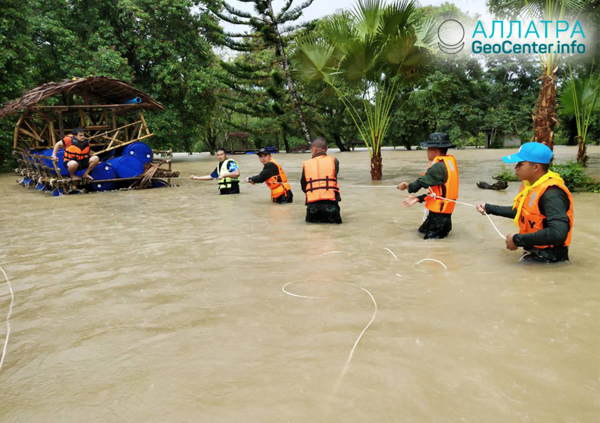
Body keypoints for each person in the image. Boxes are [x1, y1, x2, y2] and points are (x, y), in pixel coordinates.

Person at [476, 142, 573, 263]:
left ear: (536, 167)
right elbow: (522, 211)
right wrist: (489, 208)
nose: (515, 168)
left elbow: (558, 233)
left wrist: (517, 240)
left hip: (549, 258)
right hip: (536, 252)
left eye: (520, 164)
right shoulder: (531, 185)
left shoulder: (552, 194)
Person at [397, 132, 459, 239]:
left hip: (438, 220)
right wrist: (418, 199)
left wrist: (407, 186)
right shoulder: (447, 163)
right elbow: (438, 194)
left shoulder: (438, 167)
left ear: (435, 150)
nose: (427, 152)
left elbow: (420, 183)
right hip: (440, 215)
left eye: (428, 149)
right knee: (421, 232)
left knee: (431, 246)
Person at [301, 137, 342, 224]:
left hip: (313, 206)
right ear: (326, 149)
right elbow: (334, 178)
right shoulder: (334, 161)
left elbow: (303, 185)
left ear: (314, 149)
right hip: (330, 205)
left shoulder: (306, 164)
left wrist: (313, 193)